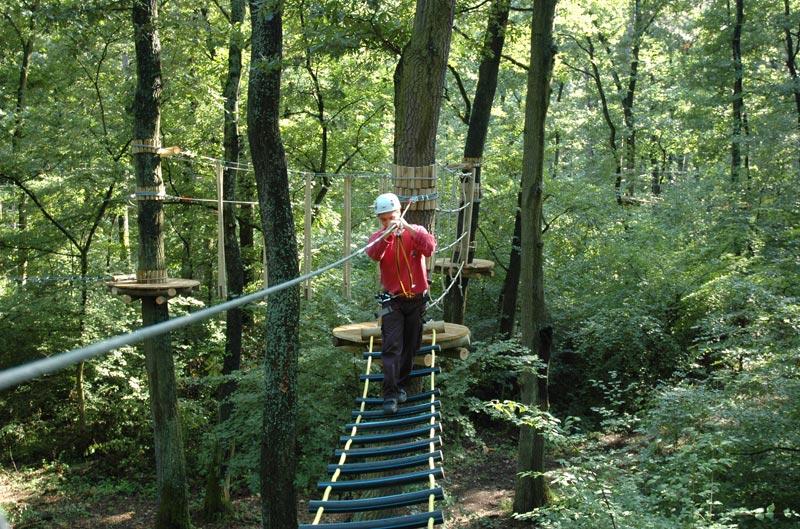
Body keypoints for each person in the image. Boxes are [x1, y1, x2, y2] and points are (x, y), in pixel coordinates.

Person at [366, 192, 437, 414]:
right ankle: (389, 394)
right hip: (392, 301)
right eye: (383, 219)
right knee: (392, 346)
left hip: (416, 301)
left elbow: (429, 248)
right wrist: (386, 235)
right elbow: (373, 254)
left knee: (411, 345)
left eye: (391, 217)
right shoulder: (379, 237)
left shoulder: (416, 232)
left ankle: (400, 386)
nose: (388, 222)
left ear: (399, 213)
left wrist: (406, 227)